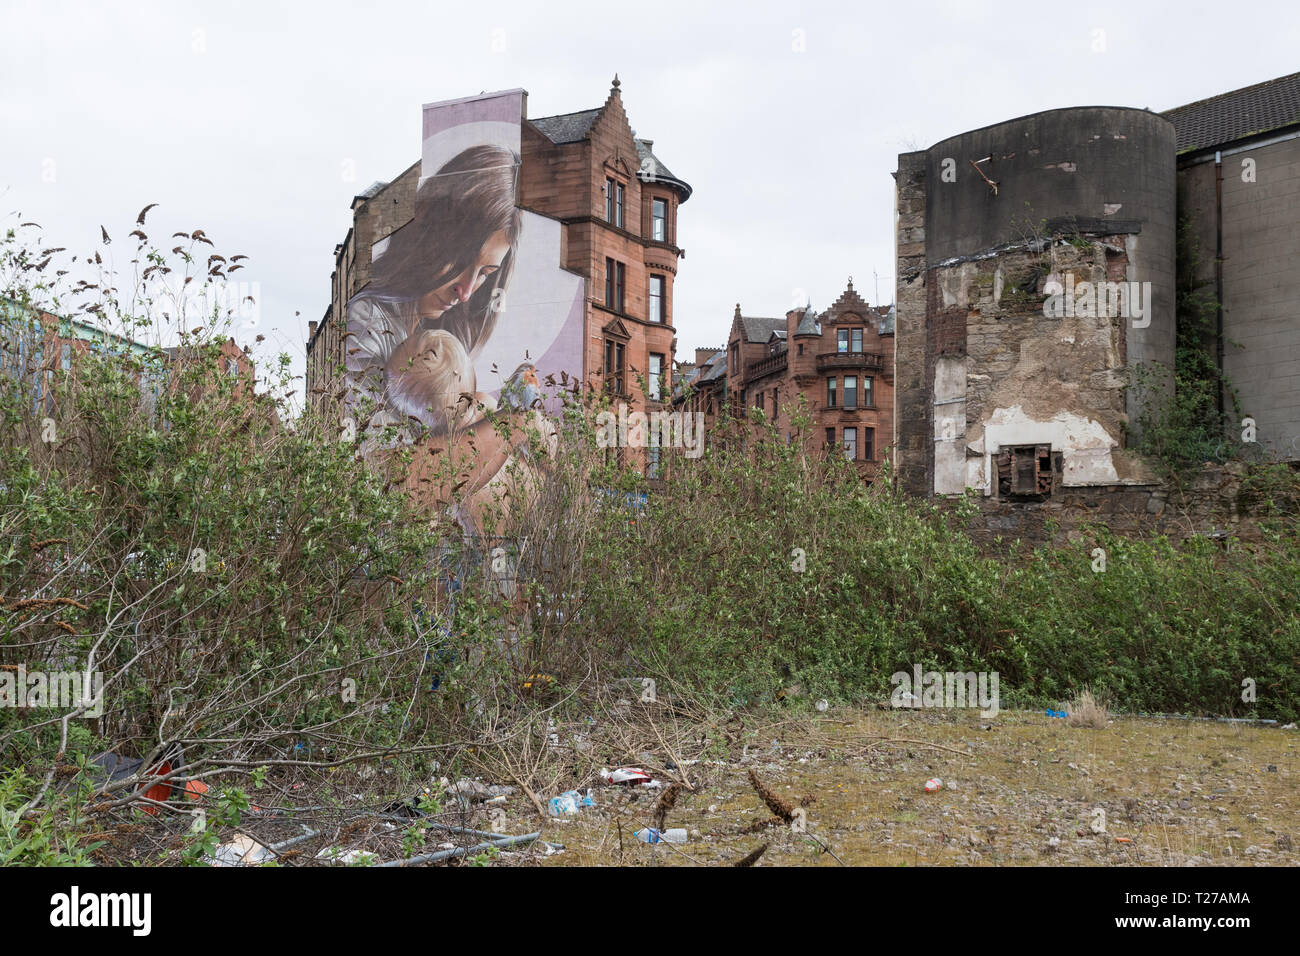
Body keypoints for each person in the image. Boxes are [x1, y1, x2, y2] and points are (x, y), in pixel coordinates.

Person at [345, 143, 522, 437]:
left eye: (485, 275)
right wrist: (512, 429)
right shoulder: (366, 321)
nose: (465, 292)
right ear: (429, 234)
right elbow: (379, 460)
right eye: (461, 261)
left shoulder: (449, 338)